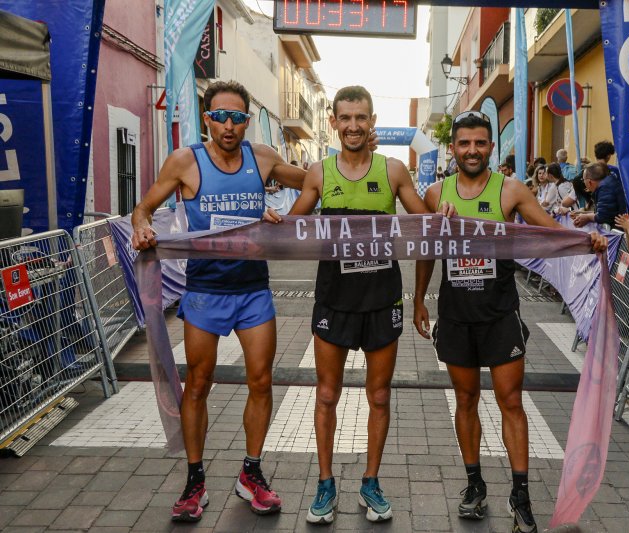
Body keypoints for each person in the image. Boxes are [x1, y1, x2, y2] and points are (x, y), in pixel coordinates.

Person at [264, 86, 453, 524]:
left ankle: (370, 482)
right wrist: (276, 221)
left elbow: (423, 222)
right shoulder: (317, 172)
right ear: (333, 121)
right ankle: (326, 485)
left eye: (360, 118)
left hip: (382, 299)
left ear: (372, 121)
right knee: (327, 394)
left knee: (380, 396)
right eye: (345, 118)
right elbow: (293, 228)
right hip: (334, 300)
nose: (353, 125)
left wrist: (439, 213)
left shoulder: (392, 172)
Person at [412, 110, 606, 533]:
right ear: (454, 148)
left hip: (500, 313)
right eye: (464, 143)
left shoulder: (511, 189)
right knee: (465, 401)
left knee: (511, 401)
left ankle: (520, 494)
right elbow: (425, 248)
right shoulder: (434, 193)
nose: (472, 150)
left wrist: (586, 239)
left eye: (480, 143)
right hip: (457, 314)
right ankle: (474, 485)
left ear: (490, 147)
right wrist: (418, 300)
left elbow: (552, 231)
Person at [131, 80, 306, 522]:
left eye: (238, 117)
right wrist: (140, 226)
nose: (229, 125)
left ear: (247, 120)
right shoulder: (185, 161)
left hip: (253, 290)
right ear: (206, 117)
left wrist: (285, 216)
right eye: (220, 116)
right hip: (205, 292)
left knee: (262, 381)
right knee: (199, 384)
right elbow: (143, 207)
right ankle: (194, 481)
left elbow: (317, 182)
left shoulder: (262, 158)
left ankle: (251, 473)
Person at [571, 162, 628, 228]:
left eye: (583, 180)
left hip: (619, 228)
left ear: (589, 182)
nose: (583, 182)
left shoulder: (605, 188)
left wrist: (587, 217)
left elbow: (603, 216)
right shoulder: (608, 182)